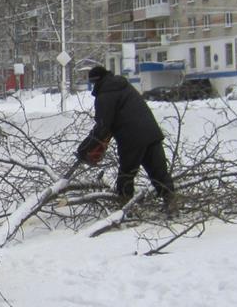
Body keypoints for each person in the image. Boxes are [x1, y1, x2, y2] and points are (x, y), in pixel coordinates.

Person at [76, 66, 177, 215]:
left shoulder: (105, 94)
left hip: (131, 138)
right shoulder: (124, 86)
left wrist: (84, 149)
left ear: (95, 81)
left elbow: (103, 126)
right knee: (159, 172)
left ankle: (125, 209)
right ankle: (171, 203)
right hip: (151, 133)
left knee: (126, 174)